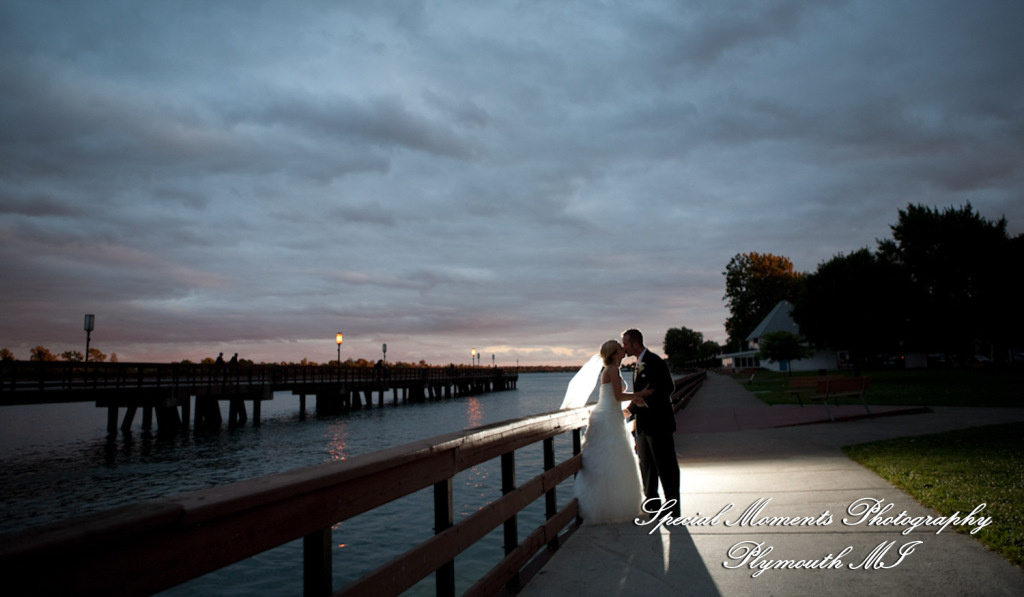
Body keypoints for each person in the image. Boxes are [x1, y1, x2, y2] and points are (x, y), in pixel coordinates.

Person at [572, 340, 652, 524]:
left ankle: (612, 505)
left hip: (611, 415)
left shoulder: (611, 369)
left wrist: (634, 402)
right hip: (608, 417)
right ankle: (613, 506)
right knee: (613, 459)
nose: (624, 350)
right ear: (615, 353)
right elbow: (618, 396)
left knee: (613, 460)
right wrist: (640, 395)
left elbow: (614, 396)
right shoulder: (612, 370)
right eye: (620, 348)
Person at [622, 328, 681, 518]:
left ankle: (673, 510)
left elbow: (668, 388)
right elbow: (640, 393)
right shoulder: (637, 363)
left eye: (625, 343)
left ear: (635, 343)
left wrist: (646, 401)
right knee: (647, 466)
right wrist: (629, 410)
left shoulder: (655, 361)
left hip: (659, 424)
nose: (624, 347)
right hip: (643, 425)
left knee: (666, 467)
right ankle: (653, 506)